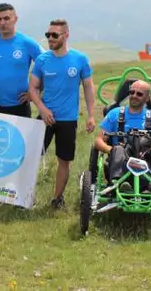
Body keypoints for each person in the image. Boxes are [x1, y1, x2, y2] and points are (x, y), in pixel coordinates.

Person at [29, 19, 96, 209]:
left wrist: (91, 115)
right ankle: (26, 197)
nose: (50, 38)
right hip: (45, 117)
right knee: (31, 157)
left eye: (54, 35)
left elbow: (88, 88)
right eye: (48, 35)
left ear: (66, 35)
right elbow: (32, 89)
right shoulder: (42, 60)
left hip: (68, 119)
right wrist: (42, 109)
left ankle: (57, 199)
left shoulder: (80, 59)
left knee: (64, 161)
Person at [95, 80, 151, 190]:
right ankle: (117, 183)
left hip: (146, 159)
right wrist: (112, 150)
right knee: (118, 148)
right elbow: (98, 141)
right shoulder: (115, 113)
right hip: (122, 160)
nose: (134, 96)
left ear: (147, 98)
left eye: (139, 94)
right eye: (132, 92)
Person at [0, 3, 43, 117]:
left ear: (15, 19)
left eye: (6, 18)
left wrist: (36, 92)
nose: (2, 23)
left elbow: (48, 65)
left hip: (20, 106)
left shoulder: (28, 43)